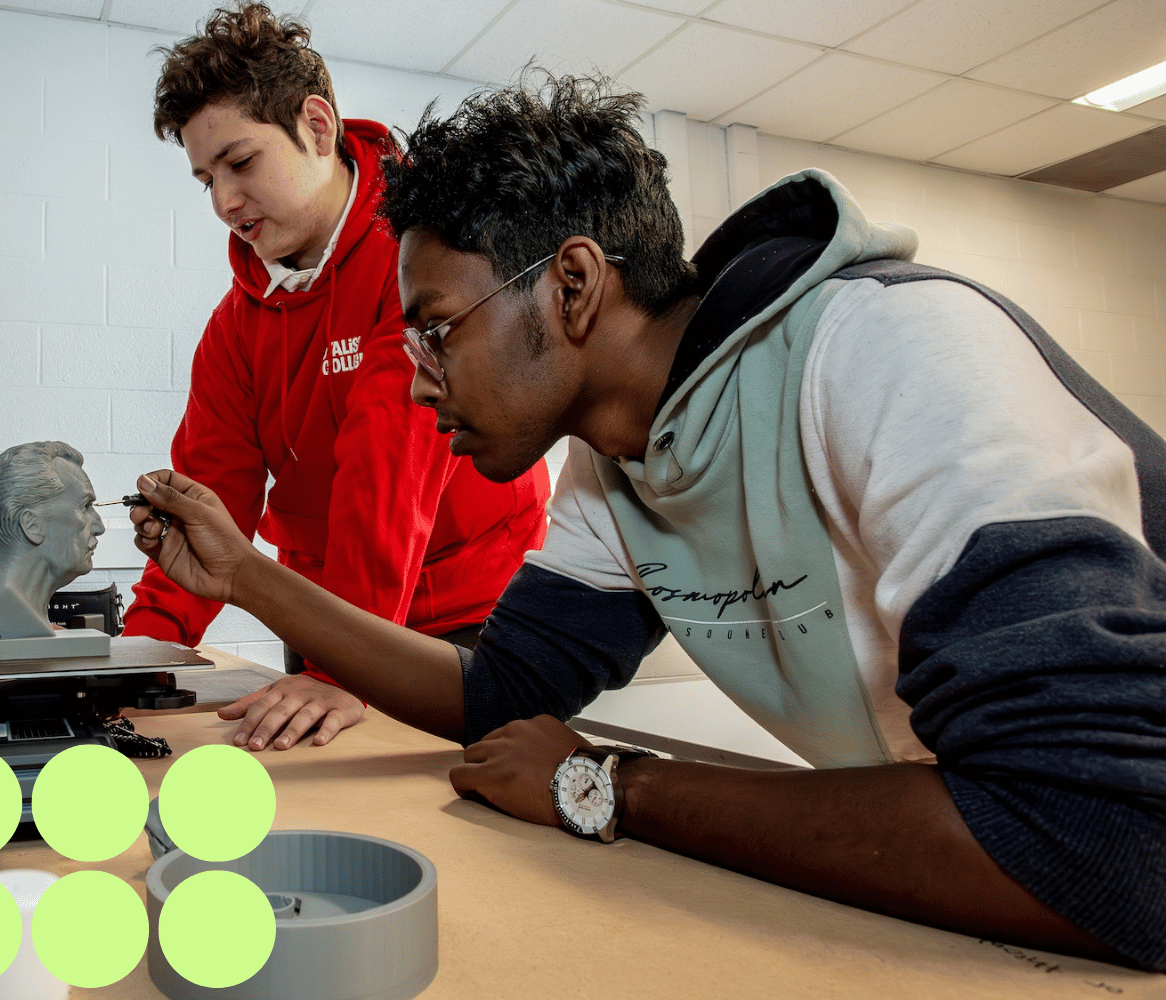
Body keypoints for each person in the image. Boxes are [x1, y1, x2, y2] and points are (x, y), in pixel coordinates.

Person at [123, 75, 1166, 970]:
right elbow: (500, 692)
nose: (421, 380)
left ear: (571, 285)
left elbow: (1108, 843)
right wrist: (244, 576)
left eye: (438, 331)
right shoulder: (615, 460)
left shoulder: (892, 351)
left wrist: (608, 783)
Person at [124, 2, 551, 750]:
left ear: (317, 127)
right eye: (205, 179)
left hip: (469, 617)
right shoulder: (236, 325)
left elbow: (386, 478)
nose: (224, 201)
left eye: (241, 162)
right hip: (328, 622)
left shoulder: (418, 264)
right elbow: (208, 497)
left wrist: (341, 667)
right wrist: (138, 654)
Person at [0, 441, 105, 638]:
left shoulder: (16, 602)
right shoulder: (1, 598)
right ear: (32, 525)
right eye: (85, 507)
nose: (100, 527)